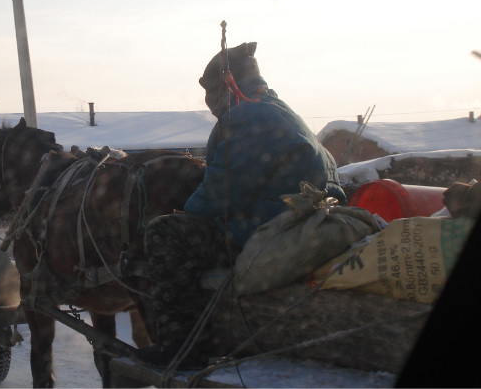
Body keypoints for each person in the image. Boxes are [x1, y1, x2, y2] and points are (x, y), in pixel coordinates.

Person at [136, 40, 346, 368]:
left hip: (274, 229)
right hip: (299, 219)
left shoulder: (249, 117)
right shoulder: (277, 109)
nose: (209, 105)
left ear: (226, 86)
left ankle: (183, 346)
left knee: (165, 233)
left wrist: (187, 212)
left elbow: (223, 190)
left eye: (210, 95)